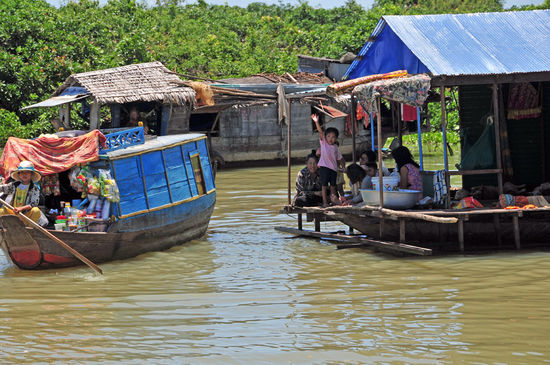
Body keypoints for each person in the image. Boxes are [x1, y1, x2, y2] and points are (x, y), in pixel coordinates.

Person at [312, 113, 345, 207]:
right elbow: (320, 132)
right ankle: (325, 202)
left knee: (333, 186)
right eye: (329, 136)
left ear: (336, 139)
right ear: (325, 137)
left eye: (333, 137)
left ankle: (333, 200)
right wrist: (316, 122)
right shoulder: (324, 144)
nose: (331, 138)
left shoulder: (335, 147)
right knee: (324, 186)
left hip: (334, 169)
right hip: (324, 168)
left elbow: (340, 158)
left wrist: (343, 167)